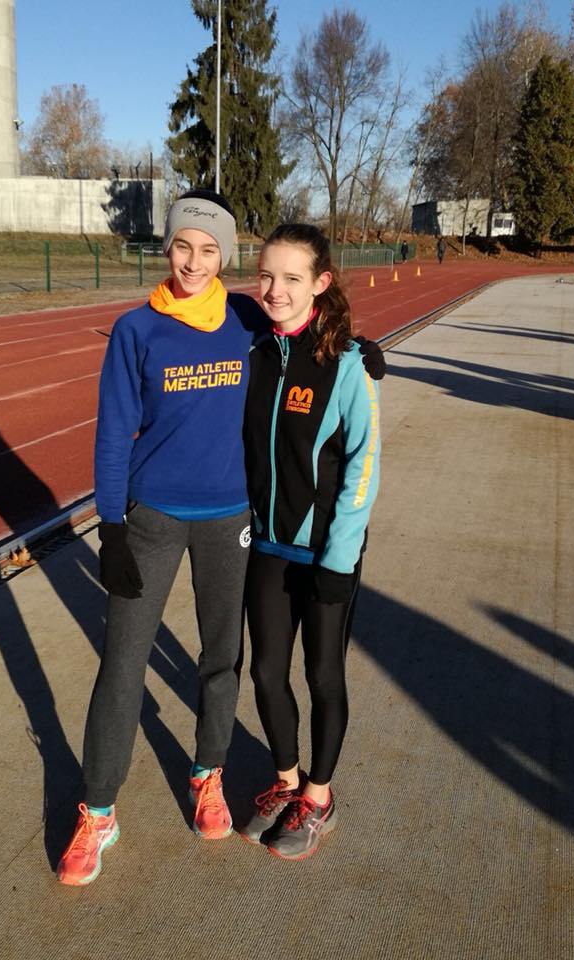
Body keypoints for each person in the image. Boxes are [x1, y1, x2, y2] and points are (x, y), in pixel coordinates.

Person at [56, 193, 386, 886]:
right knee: (123, 662)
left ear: (225, 255)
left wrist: (357, 348)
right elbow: (113, 435)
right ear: (166, 247)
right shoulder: (136, 330)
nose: (194, 261)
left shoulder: (245, 318)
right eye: (183, 245)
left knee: (222, 659)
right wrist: (110, 526)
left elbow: (307, 325)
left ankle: (209, 775)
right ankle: (99, 809)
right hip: (151, 517)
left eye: (210, 250)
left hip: (233, 520)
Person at [240, 223, 381, 861]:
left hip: (327, 553)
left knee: (323, 675)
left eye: (292, 278)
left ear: (321, 283)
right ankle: (287, 781)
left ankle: (319, 798)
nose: (275, 289)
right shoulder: (254, 351)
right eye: (266, 275)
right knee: (267, 673)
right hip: (269, 547)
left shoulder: (348, 364)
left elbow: (363, 465)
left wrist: (341, 557)